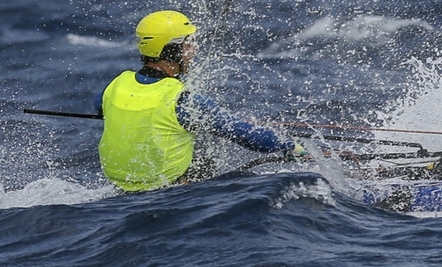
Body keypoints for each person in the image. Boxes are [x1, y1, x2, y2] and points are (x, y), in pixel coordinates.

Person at [98, 10, 307, 192]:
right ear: (171, 49)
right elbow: (241, 133)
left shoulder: (113, 87)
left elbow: (100, 107)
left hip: (120, 189)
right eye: (188, 44)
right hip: (165, 195)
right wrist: (289, 146)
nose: (193, 50)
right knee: (206, 162)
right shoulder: (182, 101)